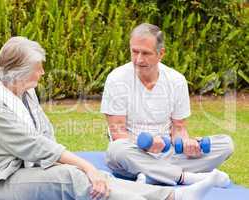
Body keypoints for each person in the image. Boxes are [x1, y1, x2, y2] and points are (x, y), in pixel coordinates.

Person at [0, 36, 230, 200]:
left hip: (26, 169)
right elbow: (36, 146)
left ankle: (171, 194)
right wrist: (86, 167)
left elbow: (45, 134)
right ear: (19, 71)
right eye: (38, 69)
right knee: (75, 177)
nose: (42, 74)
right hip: (0, 183)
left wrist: (84, 167)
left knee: (82, 172)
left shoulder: (24, 93)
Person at [100, 23, 234, 186]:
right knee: (117, 149)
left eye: (146, 53)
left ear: (160, 54)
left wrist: (186, 143)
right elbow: (117, 132)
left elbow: (179, 128)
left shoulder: (176, 80)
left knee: (226, 144)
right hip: (132, 153)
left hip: (168, 154)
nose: (138, 59)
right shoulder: (116, 78)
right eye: (134, 52)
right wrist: (147, 145)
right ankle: (184, 177)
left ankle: (152, 175)